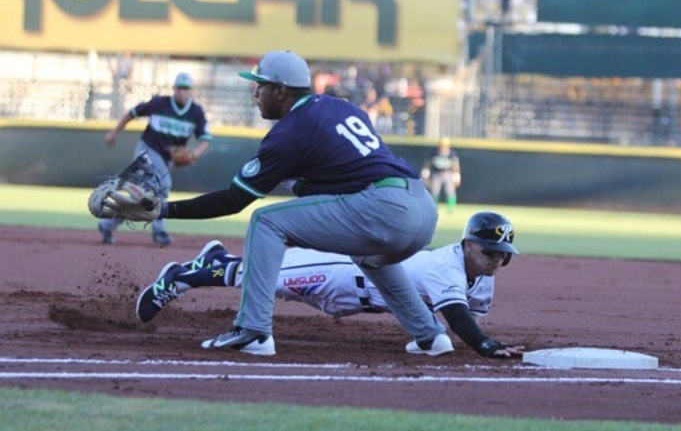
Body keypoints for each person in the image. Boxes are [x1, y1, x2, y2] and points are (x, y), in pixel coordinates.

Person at [150, 50, 447, 357]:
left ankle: (253, 330)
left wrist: (164, 208)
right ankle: (430, 334)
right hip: (422, 208)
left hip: (385, 208)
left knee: (266, 221)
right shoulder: (340, 106)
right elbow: (349, 177)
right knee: (366, 254)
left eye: (261, 86)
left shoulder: (290, 132)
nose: (256, 93)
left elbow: (234, 200)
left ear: (280, 91)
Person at [136, 212, 524, 358]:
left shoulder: (484, 279)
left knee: (435, 342)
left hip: (359, 296)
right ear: (469, 245)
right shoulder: (448, 265)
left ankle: (217, 260)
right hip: (343, 271)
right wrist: (486, 346)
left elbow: (460, 317)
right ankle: (190, 273)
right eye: (490, 252)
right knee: (267, 277)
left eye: (502, 254)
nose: (497, 260)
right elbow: (457, 317)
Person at [100, 72, 212, 246]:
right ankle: (159, 231)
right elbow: (132, 113)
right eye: (179, 88)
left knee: (143, 199)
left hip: (166, 159)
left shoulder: (196, 112)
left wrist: (195, 153)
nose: (182, 92)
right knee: (163, 184)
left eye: (186, 89)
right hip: (146, 150)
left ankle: (108, 224)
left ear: (191, 91)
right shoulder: (160, 103)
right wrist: (115, 132)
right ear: (174, 89)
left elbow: (206, 139)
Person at [420, 137, 461, 213]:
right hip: (437, 173)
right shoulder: (434, 152)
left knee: (450, 191)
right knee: (435, 191)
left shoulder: (452, 153)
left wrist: (457, 177)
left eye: (445, 146)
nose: (443, 148)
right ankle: (433, 207)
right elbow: (428, 164)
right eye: (442, 146)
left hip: (448, 173)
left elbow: (455, 166)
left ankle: (451, 208)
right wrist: (425, 175)